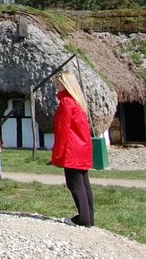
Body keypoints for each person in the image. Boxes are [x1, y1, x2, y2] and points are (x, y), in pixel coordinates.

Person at [51, 70, 95, 227]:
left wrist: (57, 153)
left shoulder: (66, 103)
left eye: (58, 84)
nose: (56, 88)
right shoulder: (78, 103)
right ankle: (89, 218)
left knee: (74, 184)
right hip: (83, 148)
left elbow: (63, 129)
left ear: (65, 84)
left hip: (72, 149)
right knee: (84, 183)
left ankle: (82, 219)